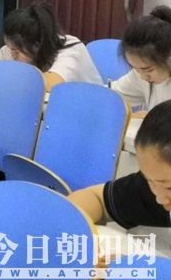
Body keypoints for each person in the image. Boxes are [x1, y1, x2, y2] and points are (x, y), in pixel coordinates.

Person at [68, 99, 171, 231]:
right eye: (149, 180)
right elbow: (97, 199)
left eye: (169, 188)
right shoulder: (158, 183)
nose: (160, 199)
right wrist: (65, 223)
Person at [0, 2, 102, 90]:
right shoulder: (21, 48)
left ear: (37, 46)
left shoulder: (72, 50)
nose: (13, 55)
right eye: (11, 49)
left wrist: (8, 77)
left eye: (16, 51)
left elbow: (50, 83)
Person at [110, 5, 171, 115]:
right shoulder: (141, 75)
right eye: (136, 69)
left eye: (149, 70)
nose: (142, 76)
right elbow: (112, 95)